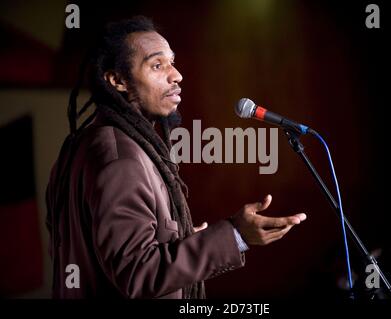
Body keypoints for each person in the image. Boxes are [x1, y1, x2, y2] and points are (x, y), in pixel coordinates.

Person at [46, 16, 307, 299]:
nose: (176, 75)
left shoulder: (86, 144)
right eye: (157, 65)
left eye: (172, 62)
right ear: (117, 80)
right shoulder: (121, 159)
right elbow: (137, 273)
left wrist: (176, 242)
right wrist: (236, 235)